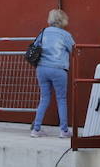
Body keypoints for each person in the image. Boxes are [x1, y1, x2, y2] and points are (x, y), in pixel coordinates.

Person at [30, 8, 75, 139]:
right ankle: (64, 130)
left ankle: (36, 129)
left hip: (42, 68)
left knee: (44, 98)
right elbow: (73, 49)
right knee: (61, 99)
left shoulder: (44, 32)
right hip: (58, 69)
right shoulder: (65, 35)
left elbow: (35, 45)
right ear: (63, 20)